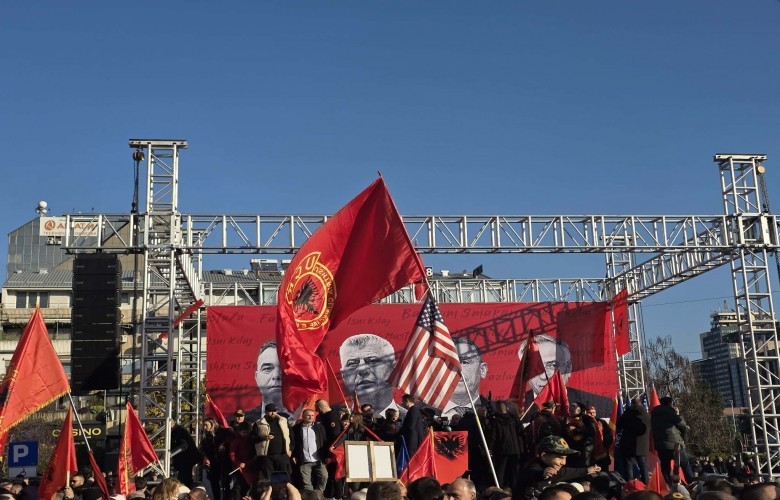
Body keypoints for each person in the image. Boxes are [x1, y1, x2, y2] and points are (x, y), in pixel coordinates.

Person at [517, 335, 612, 416]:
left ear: (568, 368)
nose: (542, 376)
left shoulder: (602, 404)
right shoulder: (515, 409)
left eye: (552, 365)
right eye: (533, 367)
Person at [512, 435, 601, 500]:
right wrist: (542, 474)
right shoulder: (533, 467)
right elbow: (531, 473)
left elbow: (567, 472)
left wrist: (587, 470)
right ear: (544, 456)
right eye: (560, 458)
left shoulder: (554, 468)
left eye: (565, 458)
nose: (563, 462)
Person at [339, 334, 401, 417]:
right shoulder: (336, 420)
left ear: (392, 369)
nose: (362, 369)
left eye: (373, 361)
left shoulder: (409, 418)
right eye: (352, 363)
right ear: (343, 375)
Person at [441, 337, 488, 419]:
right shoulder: (424, 412)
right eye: (450, 362)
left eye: (464, 362)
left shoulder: (495, 411)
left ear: (482, 370)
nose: (456, 368)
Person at [246, 341, 292, 422]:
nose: (276, 375)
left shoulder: (308, 416)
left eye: (284, 368)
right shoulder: (241, 420)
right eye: (267, 368)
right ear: (256, 377)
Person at [650, 397, 693, 484]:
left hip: (660, 444)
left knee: (665, 467)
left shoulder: (654, 413)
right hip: (674, 443)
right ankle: (691, 482)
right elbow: (681, 423)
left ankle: (668, 485)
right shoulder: (668, 411)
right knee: (684, 463)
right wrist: (677, 413)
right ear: (670, 403)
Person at [488, 401, 524, 489]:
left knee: (500, 471)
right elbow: (521, 432)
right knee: (514, 471)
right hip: (515, 449)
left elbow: (492, 436)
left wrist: (490, 448)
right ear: (507, 408)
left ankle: (499, 488)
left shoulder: (495, 421)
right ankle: (515, 488)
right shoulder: (514, 419)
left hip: (501, 450)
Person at [291, 409, 328, 493]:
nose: (310, 417)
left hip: (318, 459)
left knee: (324, 476)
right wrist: (294, 455)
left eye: (312, 415)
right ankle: (310, 496)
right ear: (303, 416)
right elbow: (293, 443)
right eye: (308, 415)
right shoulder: (296, 428)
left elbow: (324, 441)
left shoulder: (319, 427)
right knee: (306, 482)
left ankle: (319, 494)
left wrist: (326, 456)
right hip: (304, 459)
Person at [253, 404, 293, 481]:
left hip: (282, 455)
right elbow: (252, 438)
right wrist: (264, 437)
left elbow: (291, 436)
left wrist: (290, 449)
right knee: (269, 480)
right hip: (266, 456)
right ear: (266, 412)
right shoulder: (259, 423)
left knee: (284, 479)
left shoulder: (283, 421)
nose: (273, 413)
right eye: (270, 411)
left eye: (274, 411)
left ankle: (283, 489)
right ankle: (271, 489)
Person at [617, 397, 651, 484]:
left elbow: (619, 425)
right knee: (643, 465)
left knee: (628, 465)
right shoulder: (647, 415)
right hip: (642, 444)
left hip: (628, 444)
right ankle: (646, 483)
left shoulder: (627, 413)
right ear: (641, 404)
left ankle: (630, 485)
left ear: (632, 404)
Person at [170, 420, 203, 488]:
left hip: (185, 460)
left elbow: (184, 446)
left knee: (183, 481)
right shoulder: (180, 430)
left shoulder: (178, 431)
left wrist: (170, 454)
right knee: (186, 480)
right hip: (187, 460)